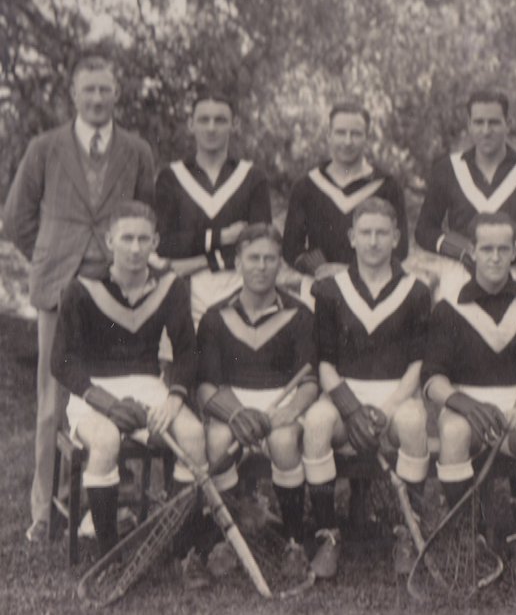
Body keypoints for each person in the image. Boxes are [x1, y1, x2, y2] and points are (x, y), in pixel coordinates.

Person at [3, 50, 156, 542]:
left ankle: (118, 499)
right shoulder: (45, 147)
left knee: (120, 388)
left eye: (104, 89)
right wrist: (52, 254)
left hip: (119, 293)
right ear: (73, 94)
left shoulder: (135, 150)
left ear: (117, 94)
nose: (96, 98)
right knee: (53, 400)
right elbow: (15, 220)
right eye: (87, 89)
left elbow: (147, 217)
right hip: (59, 287)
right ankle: (45, 512)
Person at [50, 201, 205, 563]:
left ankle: (183, 551)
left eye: (143, 239)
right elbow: (62, 361)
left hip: (149, 386)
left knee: (194, 436)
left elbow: (187, 353)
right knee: (104, 441)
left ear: (155, 242)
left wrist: (174, 399)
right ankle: (111, 555)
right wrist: (103, 401)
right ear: (109, 241)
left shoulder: (171, 287)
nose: (135, 248)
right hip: (93, 390)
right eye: (127, 238)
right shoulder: (81, 289)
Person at [422, 212, 516, 578]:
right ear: (472, 251)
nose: (496, 257)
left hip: (515, 402)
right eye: (487, 249)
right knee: (451, 432)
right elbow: (432, 377)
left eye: (504, 249)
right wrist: (464, 405)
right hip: (465, 403)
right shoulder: (449, 305)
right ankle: (469, 535)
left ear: (515, 252)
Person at [301, 197, 432, 579]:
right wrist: (350, 408)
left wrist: (388, 408)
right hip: (344, 392)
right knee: (316, 424)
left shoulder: (416, 290)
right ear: (351, 238)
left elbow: (417, 363)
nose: (374, 241)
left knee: (412, 425)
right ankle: (329, 534)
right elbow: (324, 361)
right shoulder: (329, 289)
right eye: (365, 233)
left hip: (397, 392)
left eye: (382, 233)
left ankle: (406, 532)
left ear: (396, 238)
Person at [195, 224, 319, 580]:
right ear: (238, 262)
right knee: (217, 440)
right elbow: (206, 386)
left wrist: (289, 412)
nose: (262, 266)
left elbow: (309, 382)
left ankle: (294, 540)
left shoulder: (299, 314)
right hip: (234, 401)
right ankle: (232, 535)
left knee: (282, 441)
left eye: (270, 258)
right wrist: (235, 414)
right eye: (253, 258)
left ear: (280, 263)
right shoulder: (216, 317)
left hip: (282, 400)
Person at [414, 90, 516, 295]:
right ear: (469, 125)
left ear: (508, 123)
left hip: (515, 274)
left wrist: (515, 252)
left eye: (493, 122)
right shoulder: (449, 169)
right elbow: (424, 229)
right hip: (461, 275)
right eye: (478, 122)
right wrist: (460, 250)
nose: (486, 130)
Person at [155, 86, 271, 326]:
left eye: (220, 120)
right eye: (203, 119)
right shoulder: (171, 177)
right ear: (191, 124)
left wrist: (199, 261)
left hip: (239, 289)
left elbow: (260, 244)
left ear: (234, 124)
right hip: (186, 294)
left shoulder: (252, 177)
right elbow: (164, 244)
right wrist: (222, 237)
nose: (211, 127)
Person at [283, 101, 409, 301]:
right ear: (329, 136)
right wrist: (320, 268)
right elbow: (291, 248)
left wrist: (352, 271)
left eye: (356, 134)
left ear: (367, 138)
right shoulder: (306, 186)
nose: (348, 141)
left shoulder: (386, 186)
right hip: (320, 285)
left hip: (371, 286)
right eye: (341, 132)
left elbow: (400, 249)